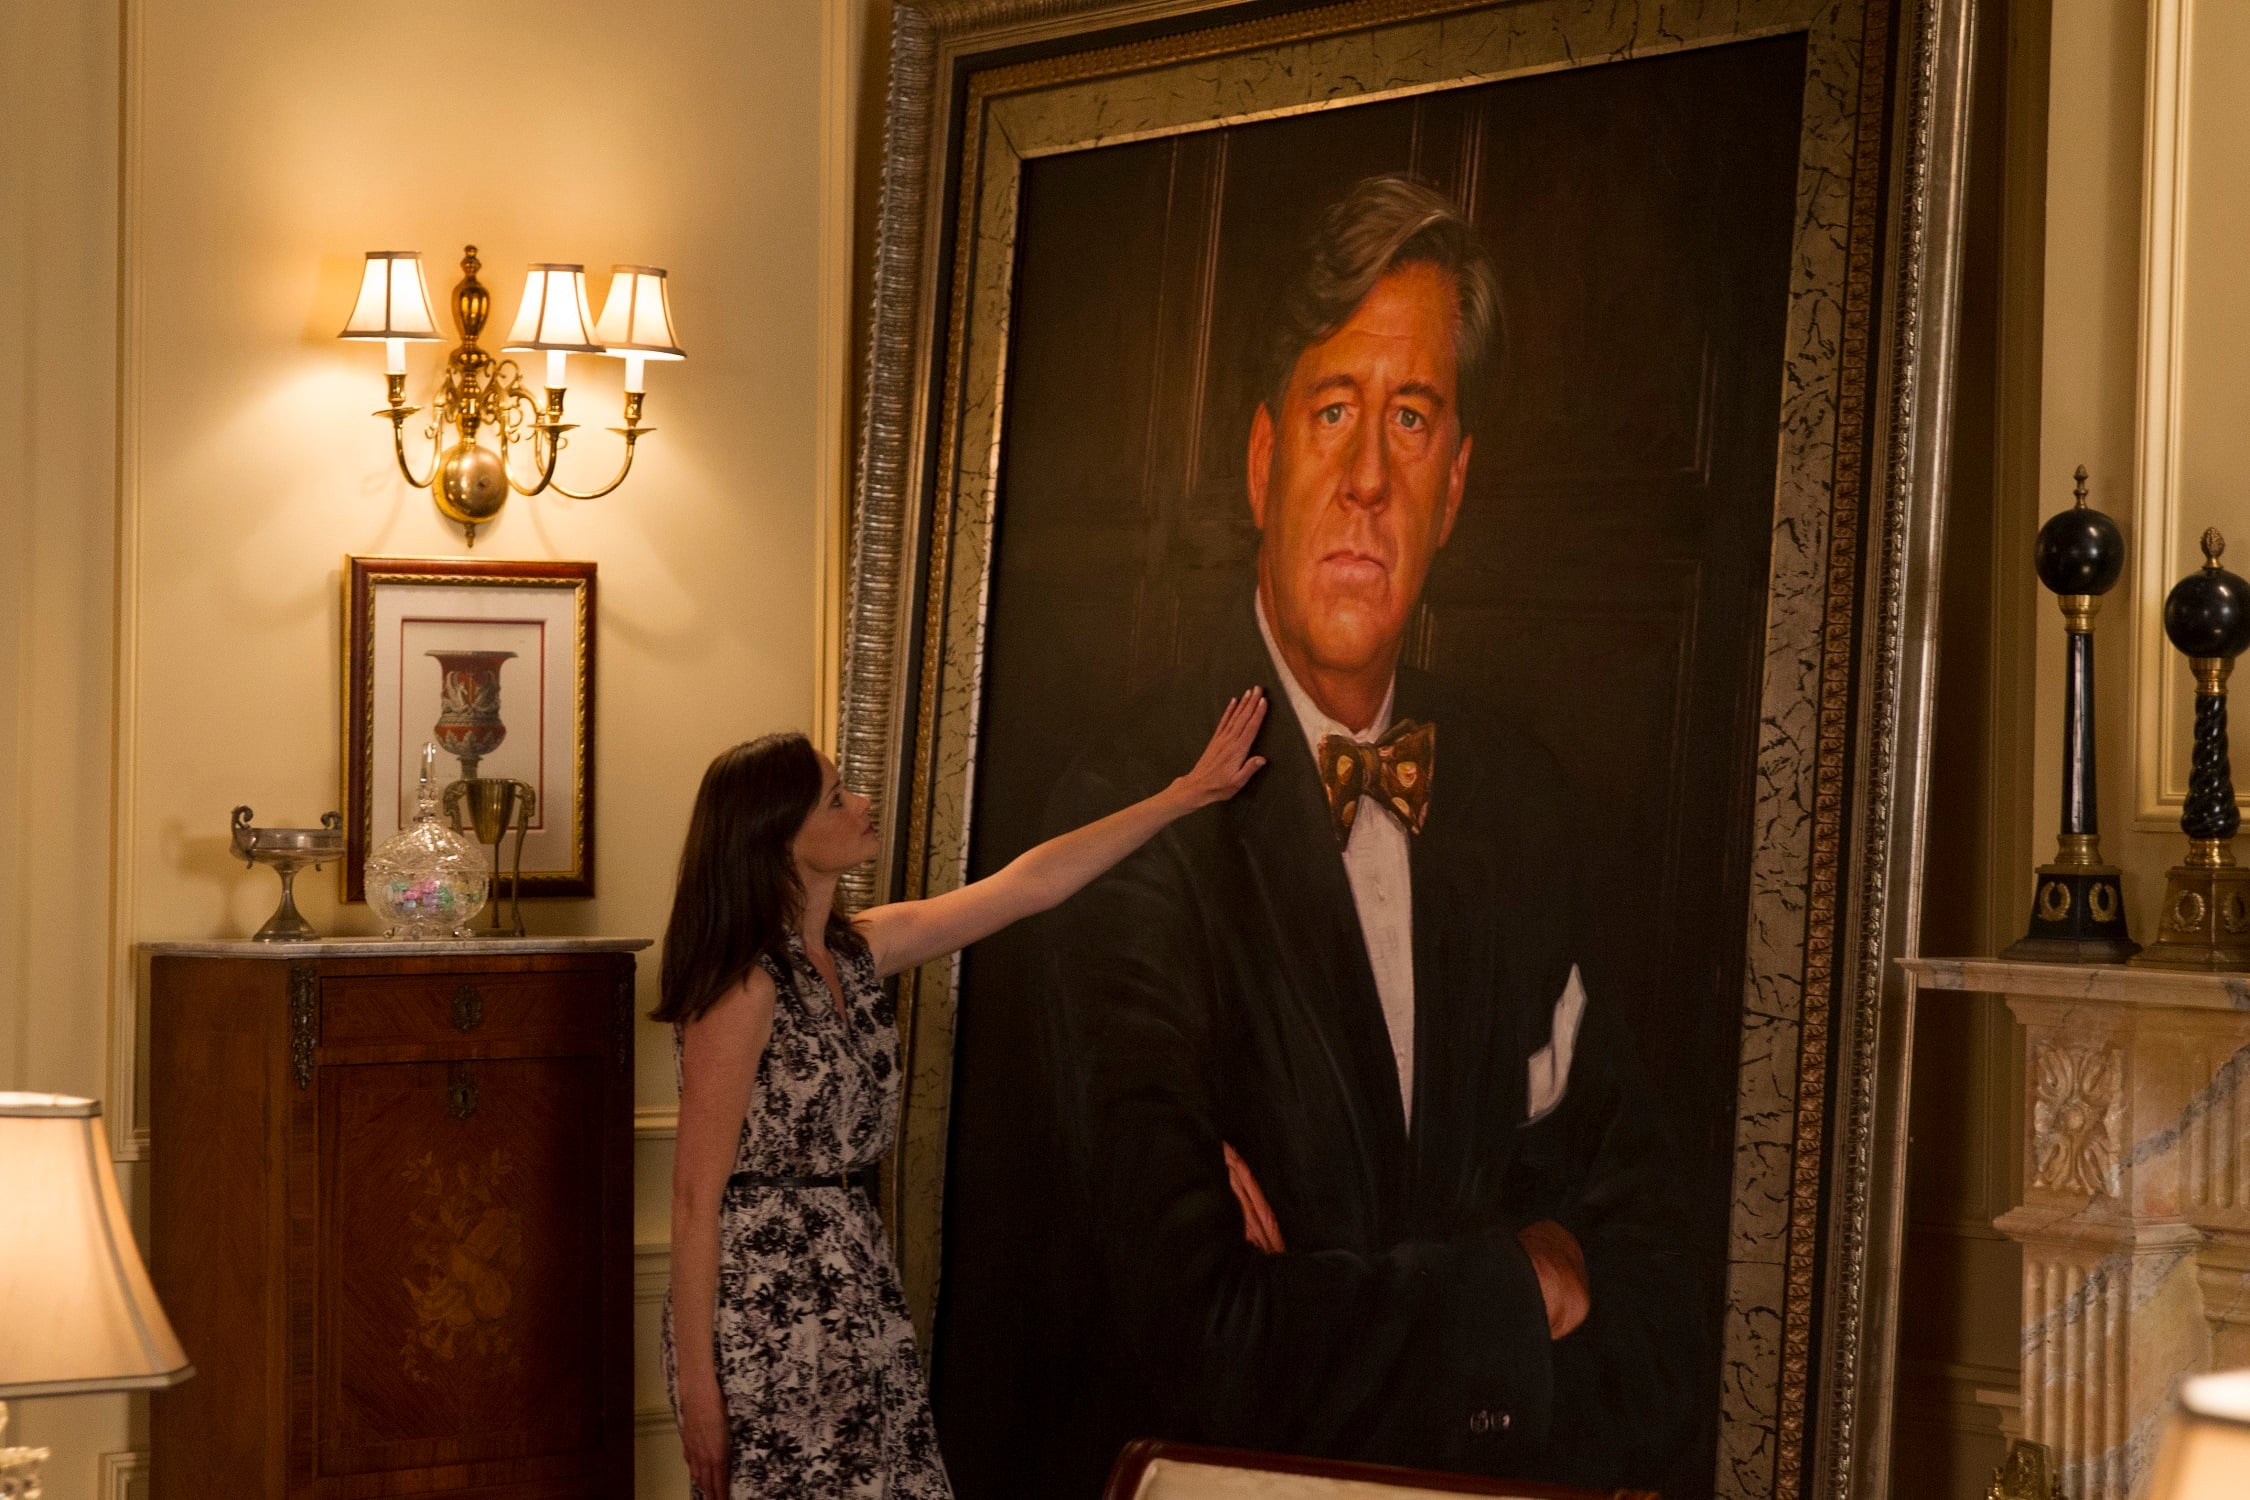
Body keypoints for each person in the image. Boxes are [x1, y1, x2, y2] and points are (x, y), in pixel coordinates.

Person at [1040, 174, 1704, 1488]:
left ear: (1454, 487)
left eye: (1409, 420)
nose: (1364, 482)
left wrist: (1332, 1307)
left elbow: (1662, 1304)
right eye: (1334, 411)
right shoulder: (1129, 815)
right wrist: (1517, 1286)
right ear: (1263, 460)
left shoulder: (1526, 804)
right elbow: (1201, 1342)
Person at [656, 694, 1268, 1500]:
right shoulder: (744, 987)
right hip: (765, 1311)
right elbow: (694, 1197)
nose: (862, 802)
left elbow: (1031, 883)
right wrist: (699, 1387)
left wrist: (1181, 796)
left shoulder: (860, 950)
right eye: (836, 798)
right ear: (779, 838)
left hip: (855, 1280)